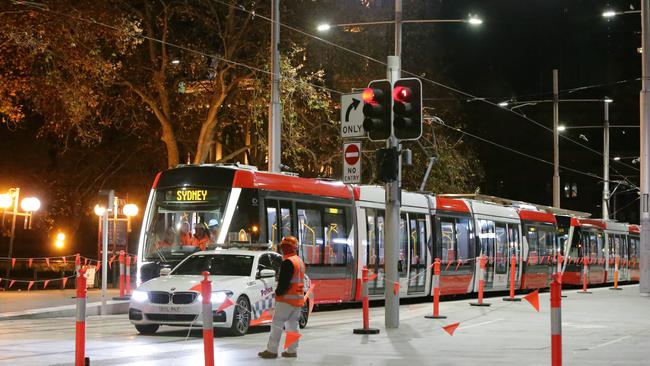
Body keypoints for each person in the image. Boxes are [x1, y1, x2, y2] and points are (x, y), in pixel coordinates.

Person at [258, 236, 305, 359]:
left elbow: (284, 282)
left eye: (285, 247)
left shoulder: (288, 262)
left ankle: (272, 350)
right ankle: (291, 351)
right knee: (293, 325)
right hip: (297, 299)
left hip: (286, 300)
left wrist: (277, 293)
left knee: (277, 324)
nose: (283, 249)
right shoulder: (299, 261)